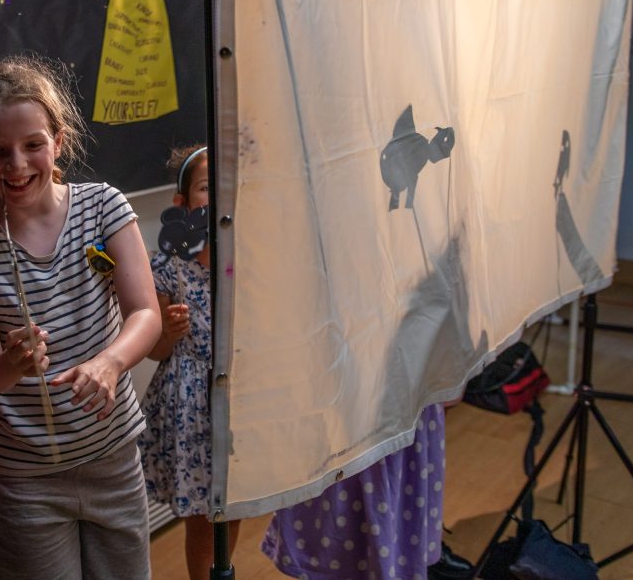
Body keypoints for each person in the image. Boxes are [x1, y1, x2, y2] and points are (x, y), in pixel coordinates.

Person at [0, 55, 162, 579]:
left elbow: (145, 314)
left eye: (32, 144)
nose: (16, 164)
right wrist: (12, 362)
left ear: (58, 140)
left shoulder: (104, 207)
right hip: (21, 479)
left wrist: (108, 363)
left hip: (112, 459)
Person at [136, 144, 239, 580]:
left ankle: (226, 567)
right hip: (190, 403)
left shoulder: (251, 260)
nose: (217, 197)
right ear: (182, 203)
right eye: (204, 188)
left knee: (237, 501)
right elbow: (155, 351)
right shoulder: (166, 268)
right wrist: (168, 331)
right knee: (202, 513)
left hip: (239, 399)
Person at [261, 404, 448, 580]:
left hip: (401, 398)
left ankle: (398, 559)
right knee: (338, 515)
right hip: (340, 408)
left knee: (394, 492)